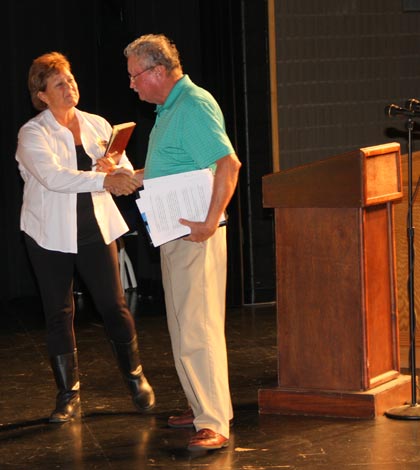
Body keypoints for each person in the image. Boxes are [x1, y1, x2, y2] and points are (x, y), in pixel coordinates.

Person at [15, 51, 155, 423]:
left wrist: (116, 170)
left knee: (114, 305)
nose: (70, 87)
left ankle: (135, 376)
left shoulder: (96, 123)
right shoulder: (32, 133)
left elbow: (119, 167)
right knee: (60, 312)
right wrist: (103, 178)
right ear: (42, 94)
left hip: (95, 228)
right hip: (48, 233)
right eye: (59, 83)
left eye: (71, 79)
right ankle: (68, 395)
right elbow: (55, 177)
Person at [124, 34, 241, 451]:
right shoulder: (167, 109)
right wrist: (137, 176)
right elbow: (180, 165)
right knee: (183, 325)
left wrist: (210, 222)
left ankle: (214, 421)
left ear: (158, 71)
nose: (132, 85)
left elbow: (228, 163)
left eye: (136, 76)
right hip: (177, 231)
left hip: (196, 232)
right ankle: (202, 404)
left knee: (199, 327)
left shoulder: (192, 104)